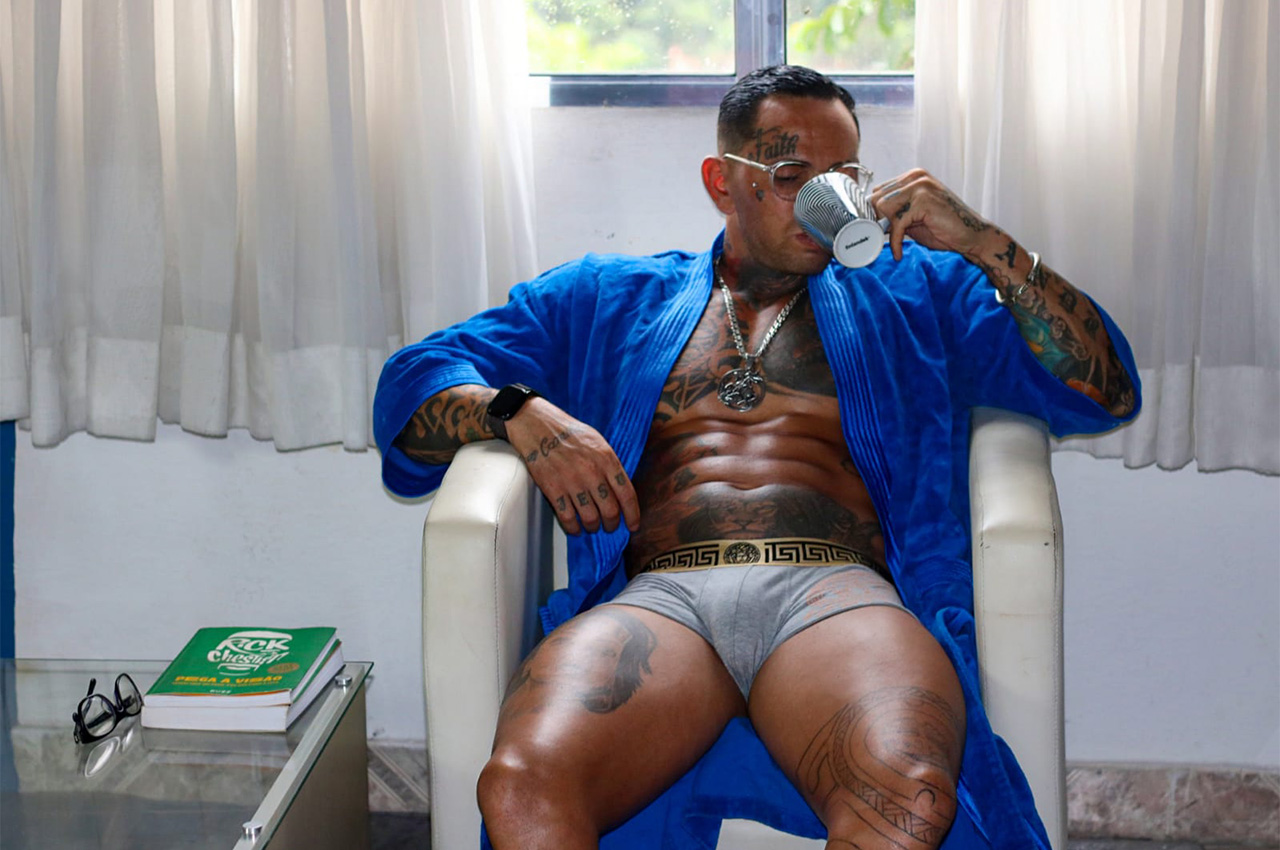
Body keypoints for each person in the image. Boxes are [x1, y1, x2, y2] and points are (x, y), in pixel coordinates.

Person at [373, 65, 1140, 850]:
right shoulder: (608, 297)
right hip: (660, 602)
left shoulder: (918, 293)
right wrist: (517, 412)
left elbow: (1103, 387)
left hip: (838, 596)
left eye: (843, 176)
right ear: (722, 182)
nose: (823, 199)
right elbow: (413, 383)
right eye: (791, 175)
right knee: (521, 787)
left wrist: (982, 242)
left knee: (906, 797)